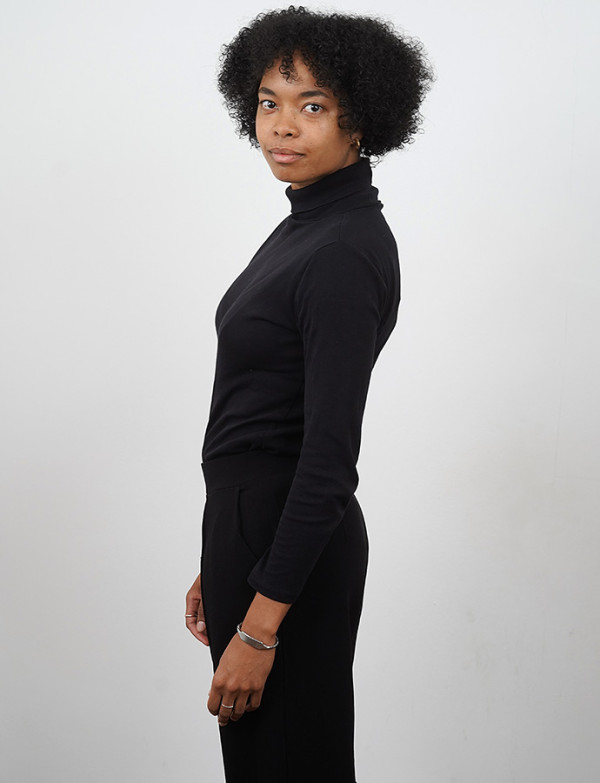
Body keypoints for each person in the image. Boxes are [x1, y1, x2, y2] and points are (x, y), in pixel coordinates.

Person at [185, 6, 434, 782]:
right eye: (269, 102)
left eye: (313, 105)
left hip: (290, 546)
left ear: (361, 118)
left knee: (292, 764)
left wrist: (260, 627)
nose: (282, 125)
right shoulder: (308, 224)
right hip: (255, 535)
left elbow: (326, 461)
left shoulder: (343, 249)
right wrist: (221, 553)